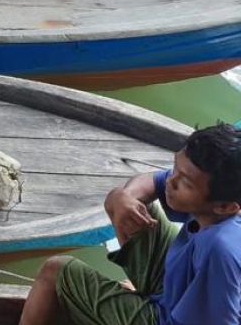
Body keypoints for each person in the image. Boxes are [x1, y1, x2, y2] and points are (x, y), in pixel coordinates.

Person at [18, 122, 241, 325]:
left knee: (56, 271)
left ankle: (144, 303)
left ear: (225, 206)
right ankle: (146, 294)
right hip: (175, 292)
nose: (171, 181)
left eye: (185, 183)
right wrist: (122, 197)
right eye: (175, 169)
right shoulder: (216, 207)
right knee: (136, 208)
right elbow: (152, 182)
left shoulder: (221, 249)